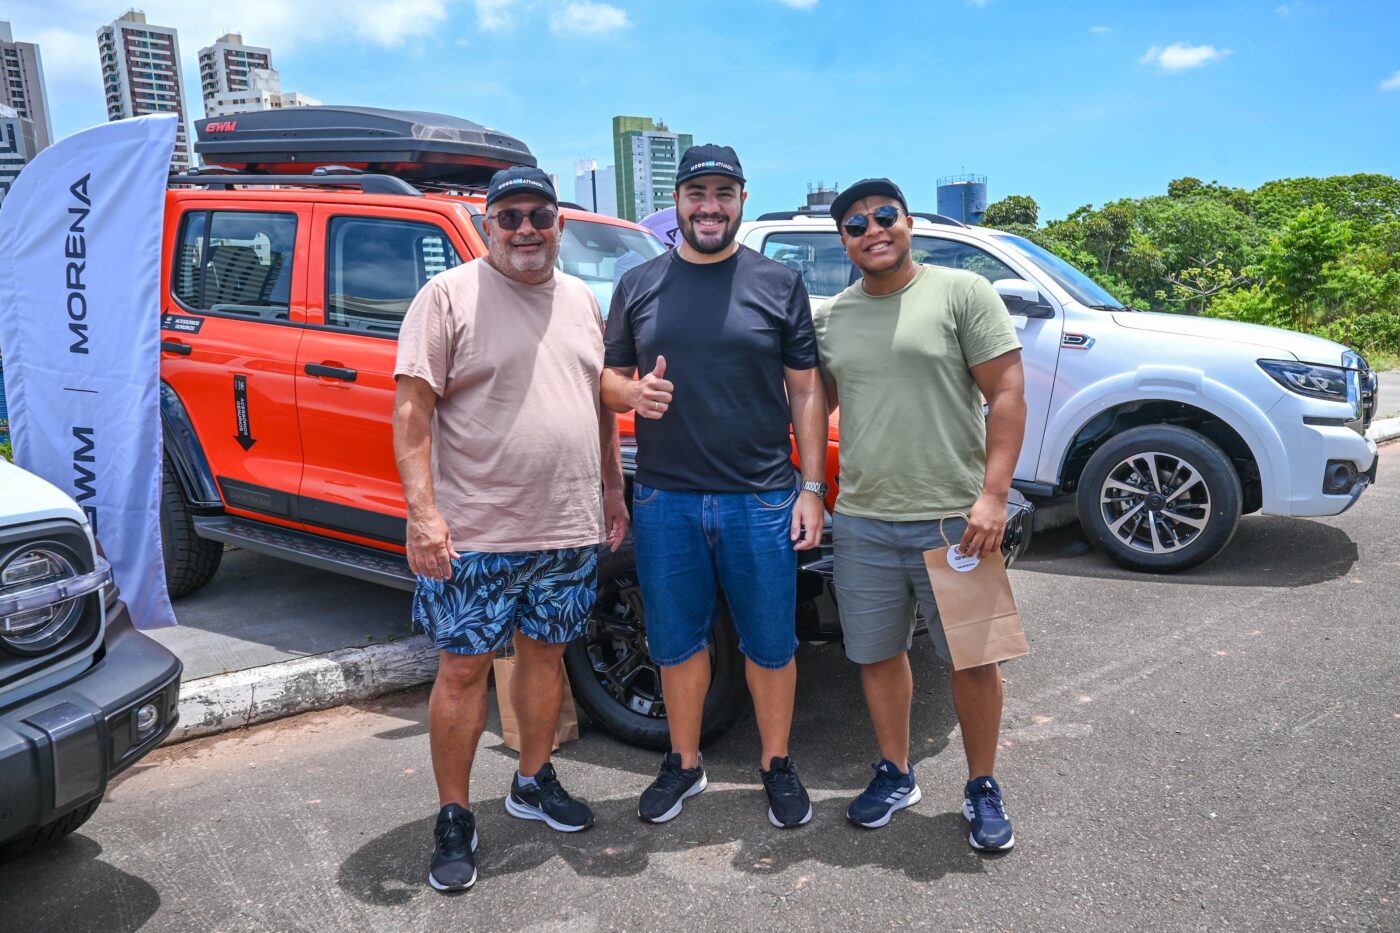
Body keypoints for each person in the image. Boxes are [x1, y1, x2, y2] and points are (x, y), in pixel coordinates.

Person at [393, 166, 629, 892]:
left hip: (566, 527)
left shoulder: (581, 300)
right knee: (463, 670)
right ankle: (455, 814)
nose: (527, 229)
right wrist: (422, 514)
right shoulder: (446, 296)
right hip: (475, 532)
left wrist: (612, 489)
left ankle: (532, 779)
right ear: (488, 224)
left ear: (560, 224)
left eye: (540, 215)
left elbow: (597, 405)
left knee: (546, 659)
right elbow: (412, 413)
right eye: (511, 216)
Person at [601, 145, 829, 828]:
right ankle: (684, 762)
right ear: (677, 202)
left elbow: (805, 390)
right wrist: (631, 394)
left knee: (771, 644)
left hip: (761, 498)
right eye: (697, 193)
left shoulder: (778, 282)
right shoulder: (638, 284)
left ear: (741, 201)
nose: (710, 206)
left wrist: (811, 487)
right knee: (675, 643)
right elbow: (607, 379)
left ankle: (776, 763)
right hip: (665, 498)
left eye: (723, 193)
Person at [813, 178, 1027, 851]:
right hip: (863, 519)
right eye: (856, 225)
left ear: (908, 223)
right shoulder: (833, 319)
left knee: (974, 658)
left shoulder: (963, 292)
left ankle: (982, 785)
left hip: (955, 519)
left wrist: (994, 496)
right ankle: (895, 772)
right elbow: (812, 404)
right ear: (843, 241)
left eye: (884, 216)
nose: (872, 230)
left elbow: (1008, 392)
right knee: (877, 654)